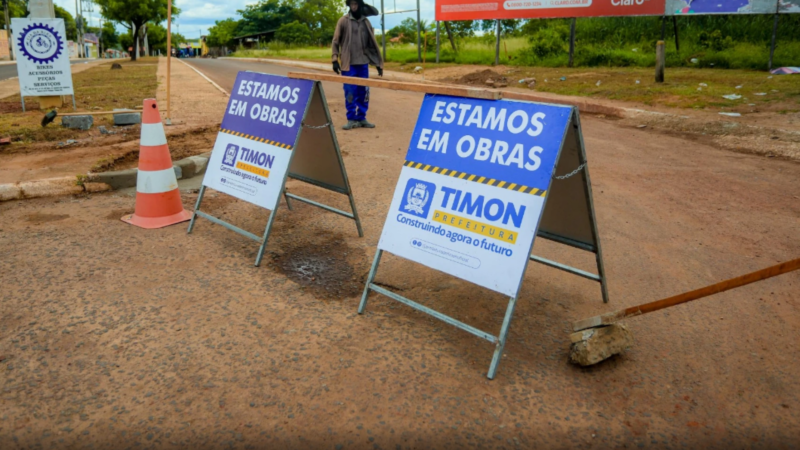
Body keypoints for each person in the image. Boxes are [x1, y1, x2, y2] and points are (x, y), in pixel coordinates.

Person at [331, 0, 384, 130]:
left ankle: (361, 118)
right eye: (351, 4)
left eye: (356, 4)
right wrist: (334, 60)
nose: (354, 6)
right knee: (350, 92)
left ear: (360, 5)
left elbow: (371, 44)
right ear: (349, 5)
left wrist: (378, 64)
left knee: (364, 92)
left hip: (363, 64)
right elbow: (335, 41)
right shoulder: (343, 21)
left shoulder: (366, 22)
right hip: (348, 64)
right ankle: (351, 119)